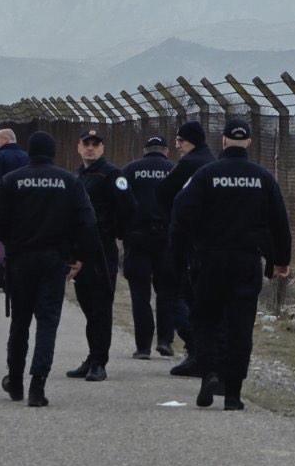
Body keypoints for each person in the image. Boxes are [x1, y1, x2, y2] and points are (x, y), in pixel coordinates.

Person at [169, 116, 292, 412]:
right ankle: (233, 392)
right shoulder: (262, 178)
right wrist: (281, 260)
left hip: (209, 260)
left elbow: (181, 212)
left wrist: (180, 254)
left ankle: (209, 374)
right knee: (240, 325)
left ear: (223, 140)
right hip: (246, 261)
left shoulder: (206, 174)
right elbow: (279, 222)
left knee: (206, 320)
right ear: (248, 142)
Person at [0, 131, 100, 408]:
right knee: (47, 323)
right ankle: (38, 385)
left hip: (20, 259)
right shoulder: (69, 182)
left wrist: (10, 241)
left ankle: (15, 380)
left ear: (30, 151)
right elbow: (87, 222)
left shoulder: (12, 181)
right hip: (54, 260)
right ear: (53, 152)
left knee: (20, 322)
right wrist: (78, 255)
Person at [156, 119, 216, 375]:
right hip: (209, 239)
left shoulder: (190, 164)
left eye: (180, 141)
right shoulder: (213, 162)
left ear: (190, 141)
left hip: (186, 238)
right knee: (199, 296)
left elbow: (164, 192)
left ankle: (194, 344)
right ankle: (203, 350)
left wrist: (172, 219)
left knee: (172, 291)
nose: (177, 146)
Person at [66, 127, 125, 381]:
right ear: (79, 147)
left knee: (101, 308)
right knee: (88, 307)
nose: (90, 148)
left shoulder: (111, 175)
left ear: (102, 148)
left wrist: (110, 233)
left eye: (95, 144)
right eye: (86, 144)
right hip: (81, 251)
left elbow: (128, 209)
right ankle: (92, 356)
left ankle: (100, 362)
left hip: (102, 251)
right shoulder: (78, 175)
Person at [120, 134, 183, 358]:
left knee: (140, 294)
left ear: (145, 151)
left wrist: (124, 230)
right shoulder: (175, 170)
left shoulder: (130, 170)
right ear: (166, 151)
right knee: (166, 292)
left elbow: (121, 201)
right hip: (167, 238)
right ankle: (165, 341)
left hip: (138, 238)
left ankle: (143, 346)